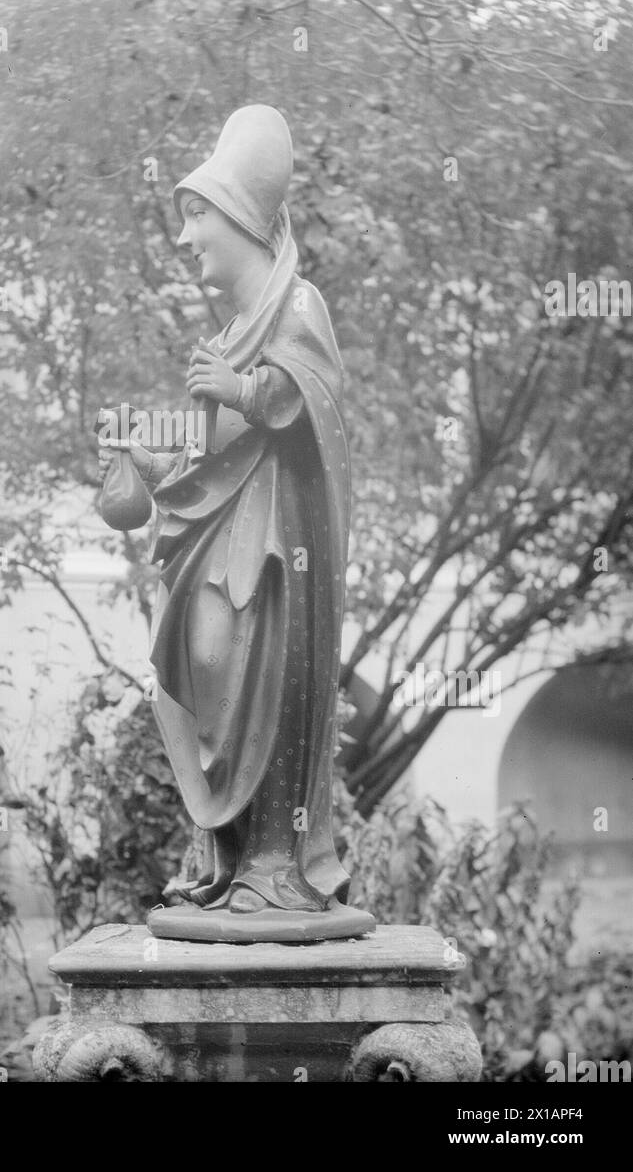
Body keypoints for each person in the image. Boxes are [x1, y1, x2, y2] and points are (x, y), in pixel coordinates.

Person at [98, 105, 374, 938]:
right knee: (200, 680)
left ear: (239, 220)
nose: (186, 239)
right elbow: (210, 466)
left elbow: (314, 405)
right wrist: (150, 465)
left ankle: (274, 867)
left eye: (197, 217)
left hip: (276, 556)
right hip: (220, 545)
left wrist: (245, 390)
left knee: (251, 676)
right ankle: (226, 861)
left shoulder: (299, 307)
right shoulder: (227, 335)